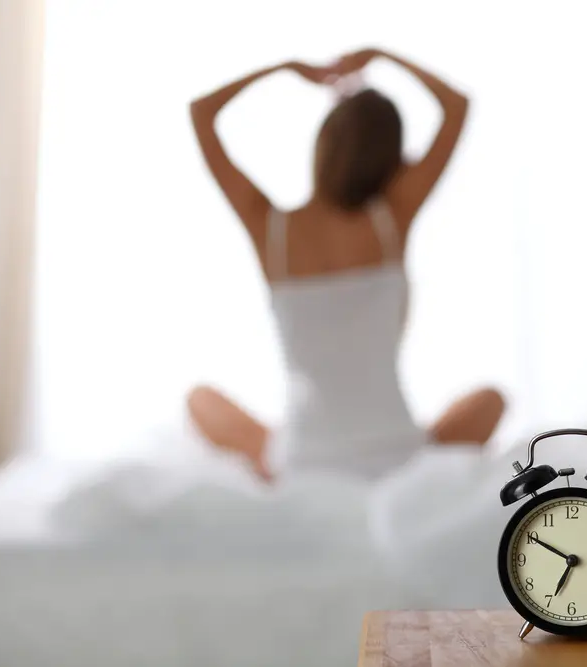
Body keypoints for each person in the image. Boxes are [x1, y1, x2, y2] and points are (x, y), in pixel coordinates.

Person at [186, 47, 505, 481]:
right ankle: (400, 448)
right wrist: (382, 56)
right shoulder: (391, 218)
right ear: (388, 160)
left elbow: (202, 113)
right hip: (398, 453)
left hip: (303, 459)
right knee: (491, 399)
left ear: (325, 144)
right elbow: (456, 107)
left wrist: (284, 68)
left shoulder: (271, 230)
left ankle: (271, 463)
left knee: (199, 400)